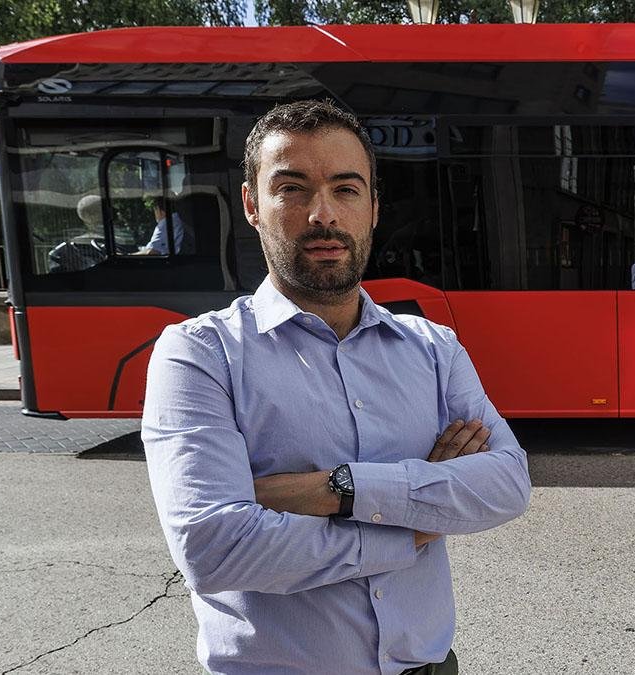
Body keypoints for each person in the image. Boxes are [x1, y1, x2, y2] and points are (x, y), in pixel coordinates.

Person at [142, 100, 531, 675]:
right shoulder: (200, 354)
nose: (322, 214)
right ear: (253, 205)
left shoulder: (433, 347)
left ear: (373, 207)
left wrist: (330, 489)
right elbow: (215, 547)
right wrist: (415, 519)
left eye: (346, 189)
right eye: (293, 189)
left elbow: (507, 484)